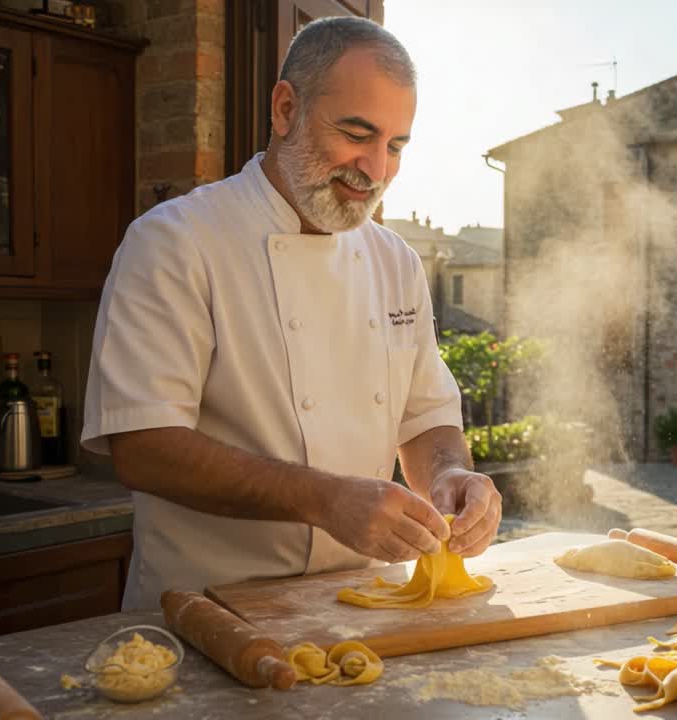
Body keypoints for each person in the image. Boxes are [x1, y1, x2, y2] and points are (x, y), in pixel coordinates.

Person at [81, 17, 500, 610]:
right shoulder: (174, 243)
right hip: (203, 614)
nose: (376, 170)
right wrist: (324, 499)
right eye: (356, 133)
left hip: (359, 610)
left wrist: (450, 477)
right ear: (284, 110)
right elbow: (144, 445)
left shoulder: (396, 262)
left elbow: (425, 417)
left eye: (396, 146)